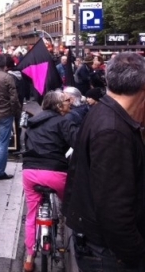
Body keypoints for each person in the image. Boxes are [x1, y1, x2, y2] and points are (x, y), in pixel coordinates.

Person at [62, 52, 145, 271]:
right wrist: (136, 255)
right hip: (110, 254)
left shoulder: (103, 112)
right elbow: (114, 210)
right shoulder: (113, 130)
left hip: (101, 246)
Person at [21, 91, 79, 272]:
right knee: (71, 205)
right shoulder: (63, 121)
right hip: (54, 172)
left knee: (31, 215)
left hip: (29, 171)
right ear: (59, 106)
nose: (69, 103)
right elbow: (77, 142)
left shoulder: (33, 122)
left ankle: (29, 258)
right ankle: (77, 236)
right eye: (66, 101)